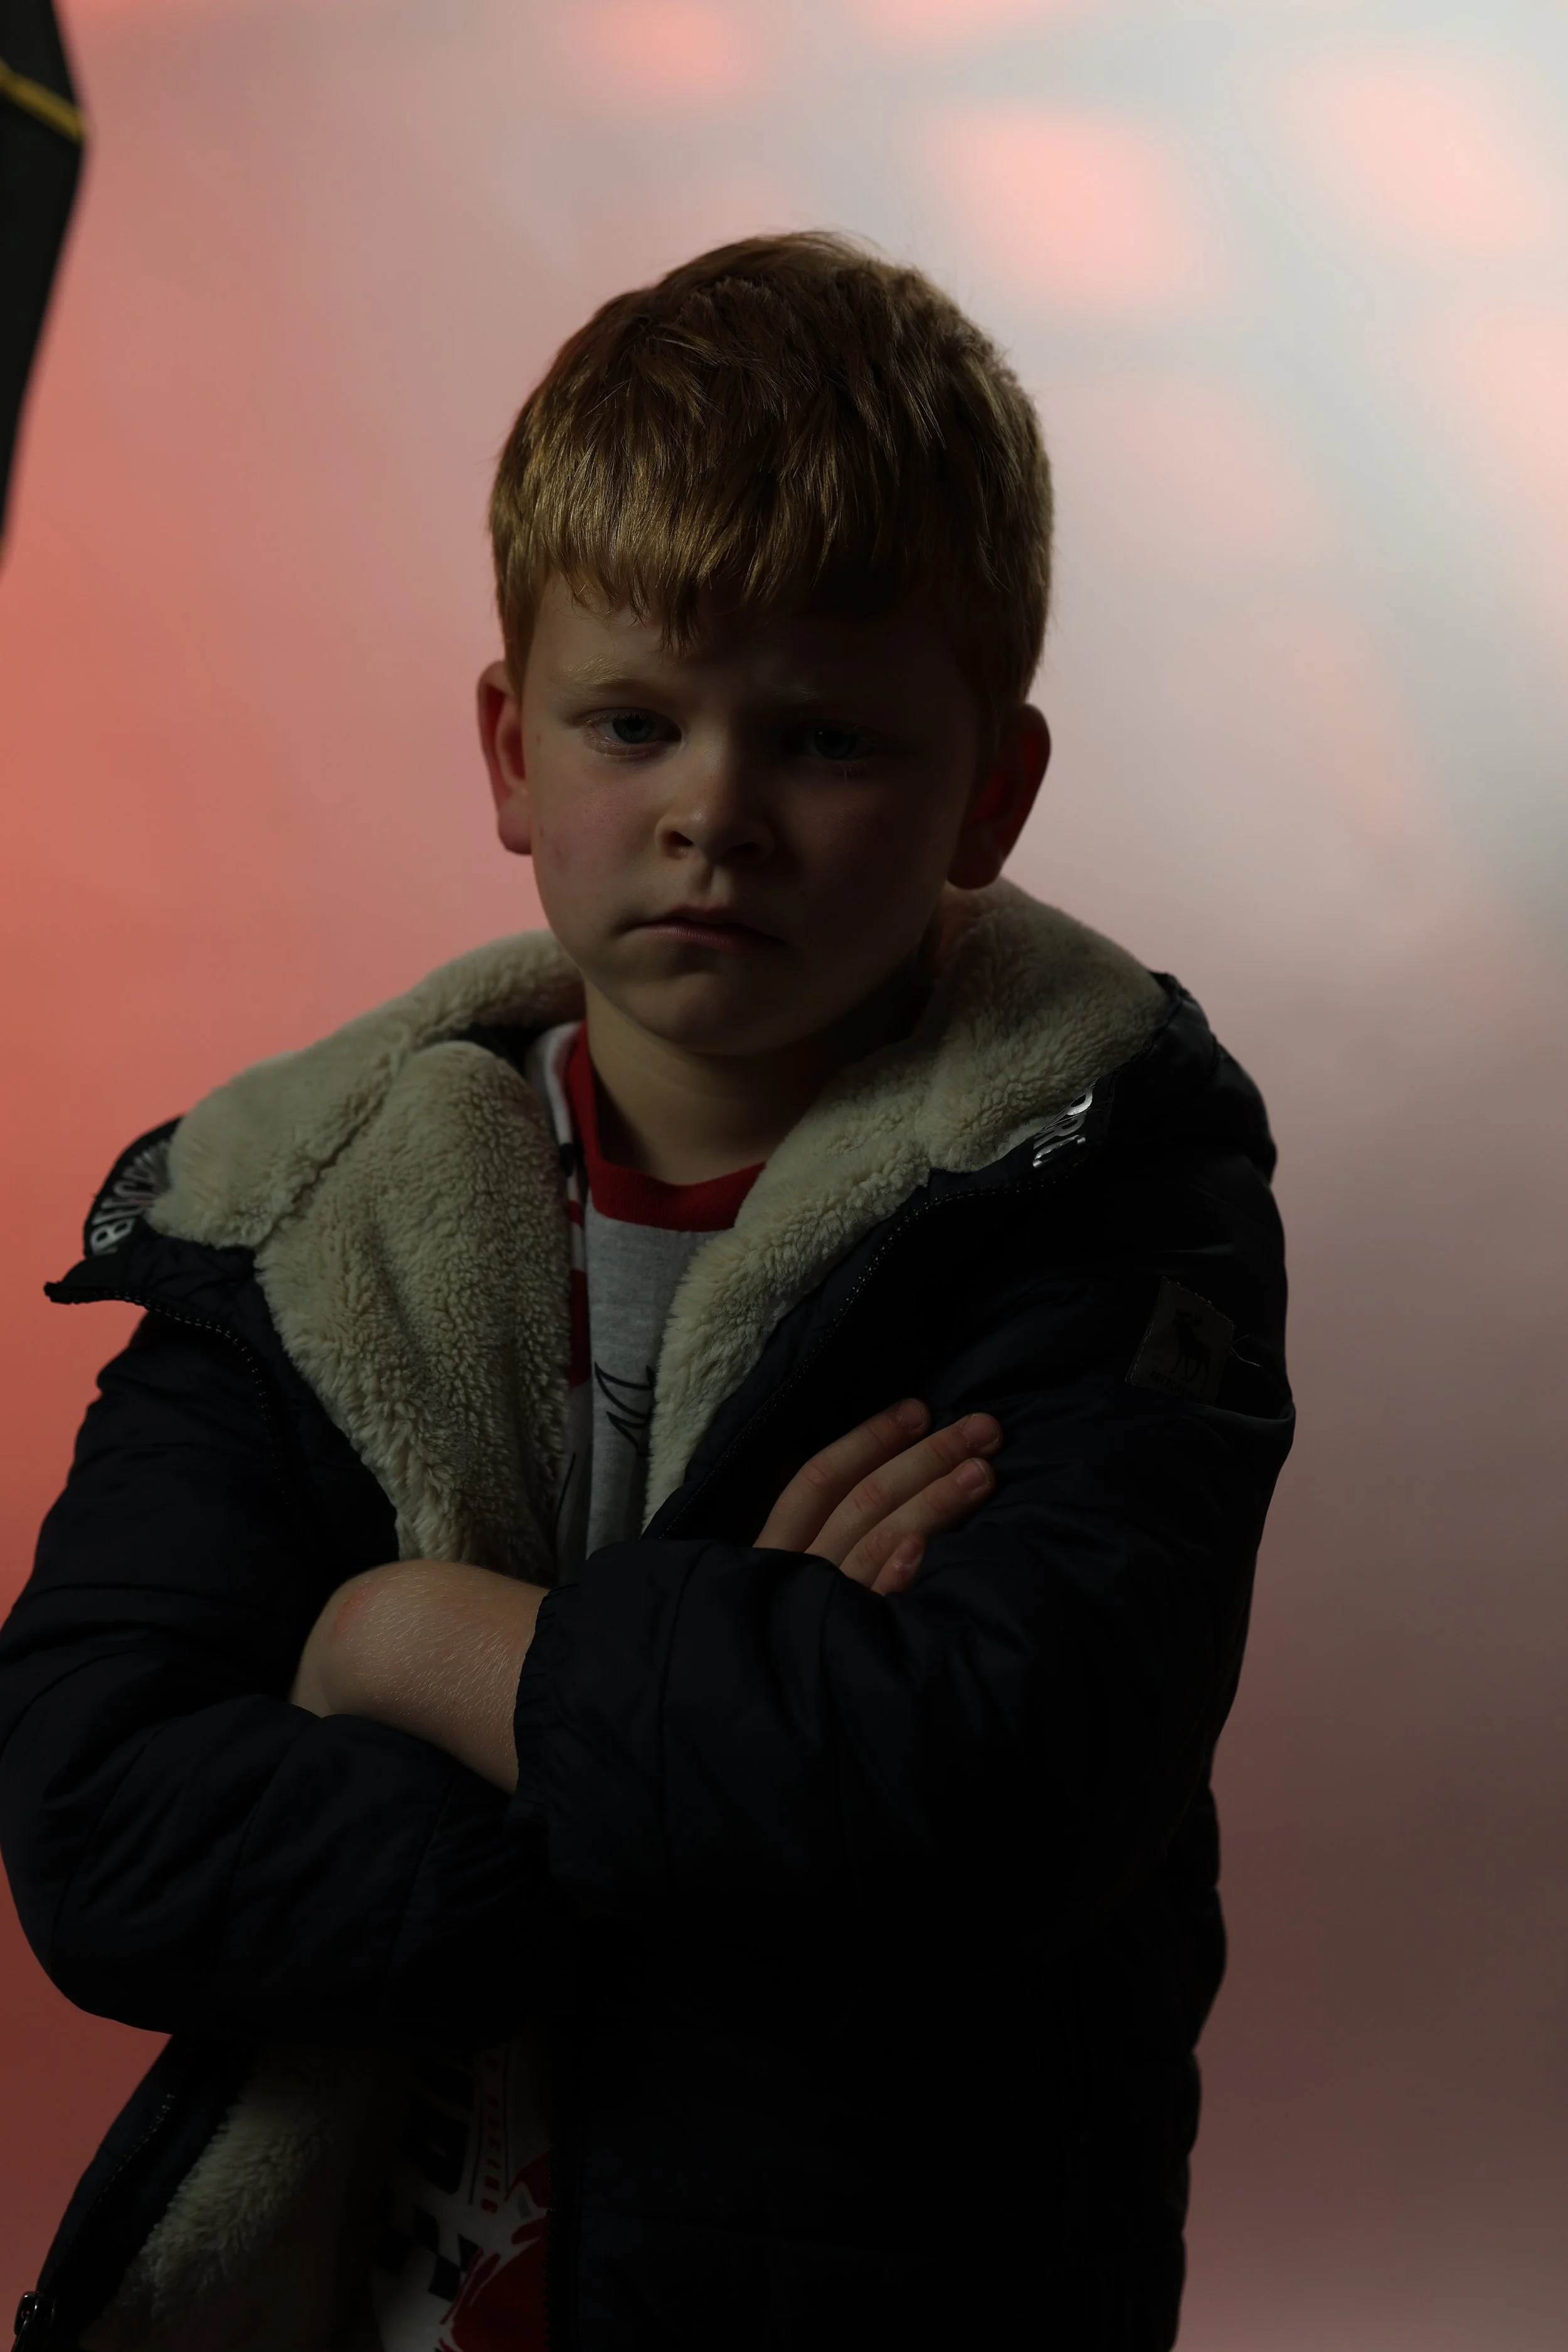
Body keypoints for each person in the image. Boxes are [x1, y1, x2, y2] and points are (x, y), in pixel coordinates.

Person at [0, 232, 1293, 2352]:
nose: (712, 810)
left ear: (990, 790)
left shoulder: (1096, 1197)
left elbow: (993, 1796)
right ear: (513, 753)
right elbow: (95, 1817)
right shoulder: (308, 1212)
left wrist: (403, 1638)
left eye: (825, 738)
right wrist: (725, 1759)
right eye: (633, 719)